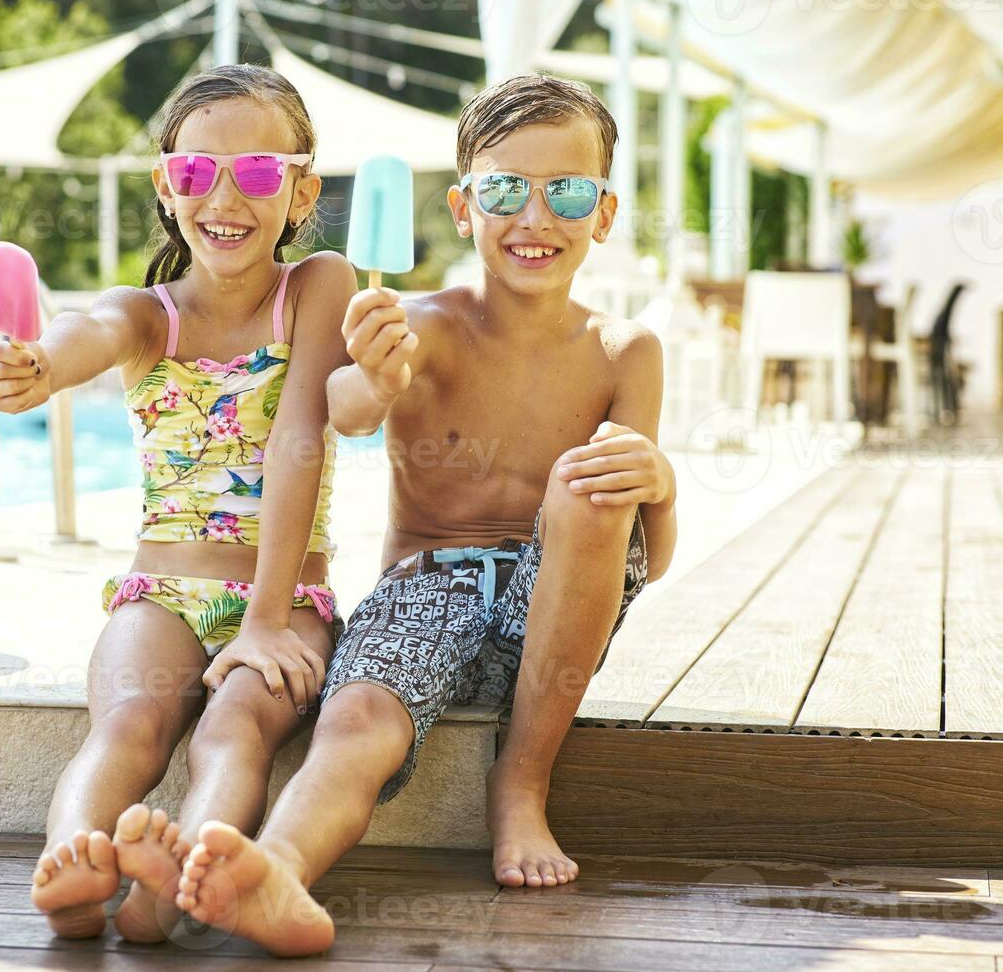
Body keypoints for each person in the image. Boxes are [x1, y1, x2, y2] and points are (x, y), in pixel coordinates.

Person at [173, 73, 678, 958]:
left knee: (588, 483)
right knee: (358, 719)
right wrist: (369, 373)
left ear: (602, 213)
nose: (535, 217)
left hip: (553, 614)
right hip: (423, 593)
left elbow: (652, 556)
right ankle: (276, 872)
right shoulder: (418, 327)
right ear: (460, 207)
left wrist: (660, 482)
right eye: (503, 190)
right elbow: (345, 413)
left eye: (565, 192)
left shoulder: (623, 351)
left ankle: (518, 787)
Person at [0, 63, 353, 943]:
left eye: (258, 172)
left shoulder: (318, 288)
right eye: (196, 172)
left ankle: (180, 874)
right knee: (127, 729)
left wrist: (264, 620)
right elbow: (85, 336)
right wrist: (35, 367)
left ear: (301, 193)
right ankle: (74, 865)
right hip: (160, 595)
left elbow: (297, 443)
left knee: (232, 732)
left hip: (287, 600)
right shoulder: (146, 313)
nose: (225, 195)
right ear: (165, 185)